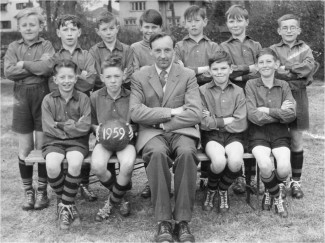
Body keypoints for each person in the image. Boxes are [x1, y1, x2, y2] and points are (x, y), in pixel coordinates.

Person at [130, 32, 202, 243]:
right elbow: (135, 111)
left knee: (188, 153)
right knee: (157, 154)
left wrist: (163, 122)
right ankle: (163, 221)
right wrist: (170, 112)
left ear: (174, 50)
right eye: (158, 50)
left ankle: (182, 221)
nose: (163, 55)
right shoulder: (140, 76)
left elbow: (195, 112)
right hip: (152, 134)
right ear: (151, 51)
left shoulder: (187, 74)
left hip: (182, 131)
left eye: (167, 50)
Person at [4, 7, 55, 211]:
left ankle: (42, 190)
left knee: (42, 147)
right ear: (19, 27)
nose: (28, 28)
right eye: (24, 25)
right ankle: (28, 190)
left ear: (40, 26)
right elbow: (8, 71)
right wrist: (35, 67)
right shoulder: (13, 46)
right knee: (25, 148)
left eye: (32, 24)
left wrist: (23, 64)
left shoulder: (47, 45)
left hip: (43, 97)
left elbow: (47, 69)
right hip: (21, 98)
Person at [49, 14, 98, 202]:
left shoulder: (86, 55)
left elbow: (91, 81)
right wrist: (80, 76)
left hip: (81, 104)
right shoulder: (55, 57)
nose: (69, 34)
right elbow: (53, 86)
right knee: (61, 140)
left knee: (81, 140)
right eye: (65, 29)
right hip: (60, 106)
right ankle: (67, 186)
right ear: (58, 32)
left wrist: (69, 82)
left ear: (79, 32)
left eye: (73, 29)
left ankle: (84, 184)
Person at [245, 48, 296, 218]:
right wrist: (279, 113)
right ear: (257, 66)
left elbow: (291, 114)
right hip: (257, 135)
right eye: (261, 62)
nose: (265, 65)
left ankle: (268, 189)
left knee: (283, 168)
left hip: (280, 134)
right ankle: (277, 199)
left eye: (269, 61)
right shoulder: (251, 84)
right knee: (265, 164)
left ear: (276, 64)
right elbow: (253, 116)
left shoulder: (284, 85)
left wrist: (267, 110)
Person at [270, 14, 316, 199]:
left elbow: (309, 67)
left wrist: (286, 69)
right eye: (285, 28)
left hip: (299, 96)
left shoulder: (305, 48)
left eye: (292, 27)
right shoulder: (273, 49)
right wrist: (294, 72)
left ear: (299, 30)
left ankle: (295, 182)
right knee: (279, 140)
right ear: (279, 30)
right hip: (278, 96)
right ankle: (279, 182)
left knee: (296, 139)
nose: (289, 31)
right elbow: (273, 71)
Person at [42, 59, 91, 229]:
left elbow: (85, 127)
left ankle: (65, 206)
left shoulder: (83, 98)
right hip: (53, 141)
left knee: (75, 162)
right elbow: (48, 127)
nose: (66, 80)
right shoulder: (48, 100)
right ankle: (68, 203)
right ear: (55, 80)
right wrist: (72, 126)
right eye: (62, 77)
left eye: (70, 76)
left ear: (76, 78)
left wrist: (61, 125)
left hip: (77, 142)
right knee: (52, 165)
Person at [220, 4, 263, 195]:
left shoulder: (256, 45)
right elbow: (227, 73)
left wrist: (241, 74)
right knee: (238, 133)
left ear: (247, 22)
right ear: (227, 24)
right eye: (231, 20)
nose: (235, 24)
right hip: (232, 96)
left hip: (253, 95)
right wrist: (248, 69)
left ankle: (251, 177)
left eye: (239, 20)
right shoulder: (223, 47)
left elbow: (260, 71)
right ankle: (237, 178)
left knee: (252, 135)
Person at [200, 51, 247, 213]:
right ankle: (211, 190)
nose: (219, 72)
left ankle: (222, 188)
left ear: (230, 69)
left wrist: (214, 121)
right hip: (212, 136)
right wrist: (227, 119)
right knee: (219, 161)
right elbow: (203, 123)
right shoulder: (202, 91)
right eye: (215, 69)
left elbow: (240, 122)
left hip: (235, 136)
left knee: (235, 162)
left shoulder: (238, 91)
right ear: (209, 71)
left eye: (223, 68)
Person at [90, 56, 136, 222]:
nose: (113, 81)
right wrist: (96, 129)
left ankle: (111, 201)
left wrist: (133, 127)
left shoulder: (132, 96)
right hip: (104, 141)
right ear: (102, 77)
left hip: (126, 142)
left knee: (128, 164)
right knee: (97, 165)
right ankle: (121, 194)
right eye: (108, 77)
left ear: (124, 75)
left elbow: (140, 119)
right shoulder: (95, 97)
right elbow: (91, 122)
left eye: (117, 76)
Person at [130, 9, 163, 199]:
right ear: (140, 27)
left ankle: (161, 179)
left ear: (160, 27)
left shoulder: (165, 44)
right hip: (144, 99)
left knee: (166, 139)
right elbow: (135, 73)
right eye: (146, 26)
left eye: (154, 27)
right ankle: (151, 181)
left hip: (165, 98)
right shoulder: (135, 48)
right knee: (148, 140)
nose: (149, 30)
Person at [175, 5, 221, 86]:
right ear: (184, 23)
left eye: (197, 20)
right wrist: (206, 69)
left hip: (211, 90)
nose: (193, 24)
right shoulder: (178, 47)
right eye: (189, 21)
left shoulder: (214, 47)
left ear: (205, 22)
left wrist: (187, 71)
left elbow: (217, 71)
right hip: (186, 90)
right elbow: (177, 71)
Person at [90, 11, 133, 91]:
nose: (108, 33)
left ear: (117, 28)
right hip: (101, 91)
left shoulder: (127, 50)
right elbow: (97, 75)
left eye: (111, 28)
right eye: (104, 29)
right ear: (97, 31)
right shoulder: (94, 51)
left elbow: (128, 74)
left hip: (124, 90)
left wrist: (117, 83)